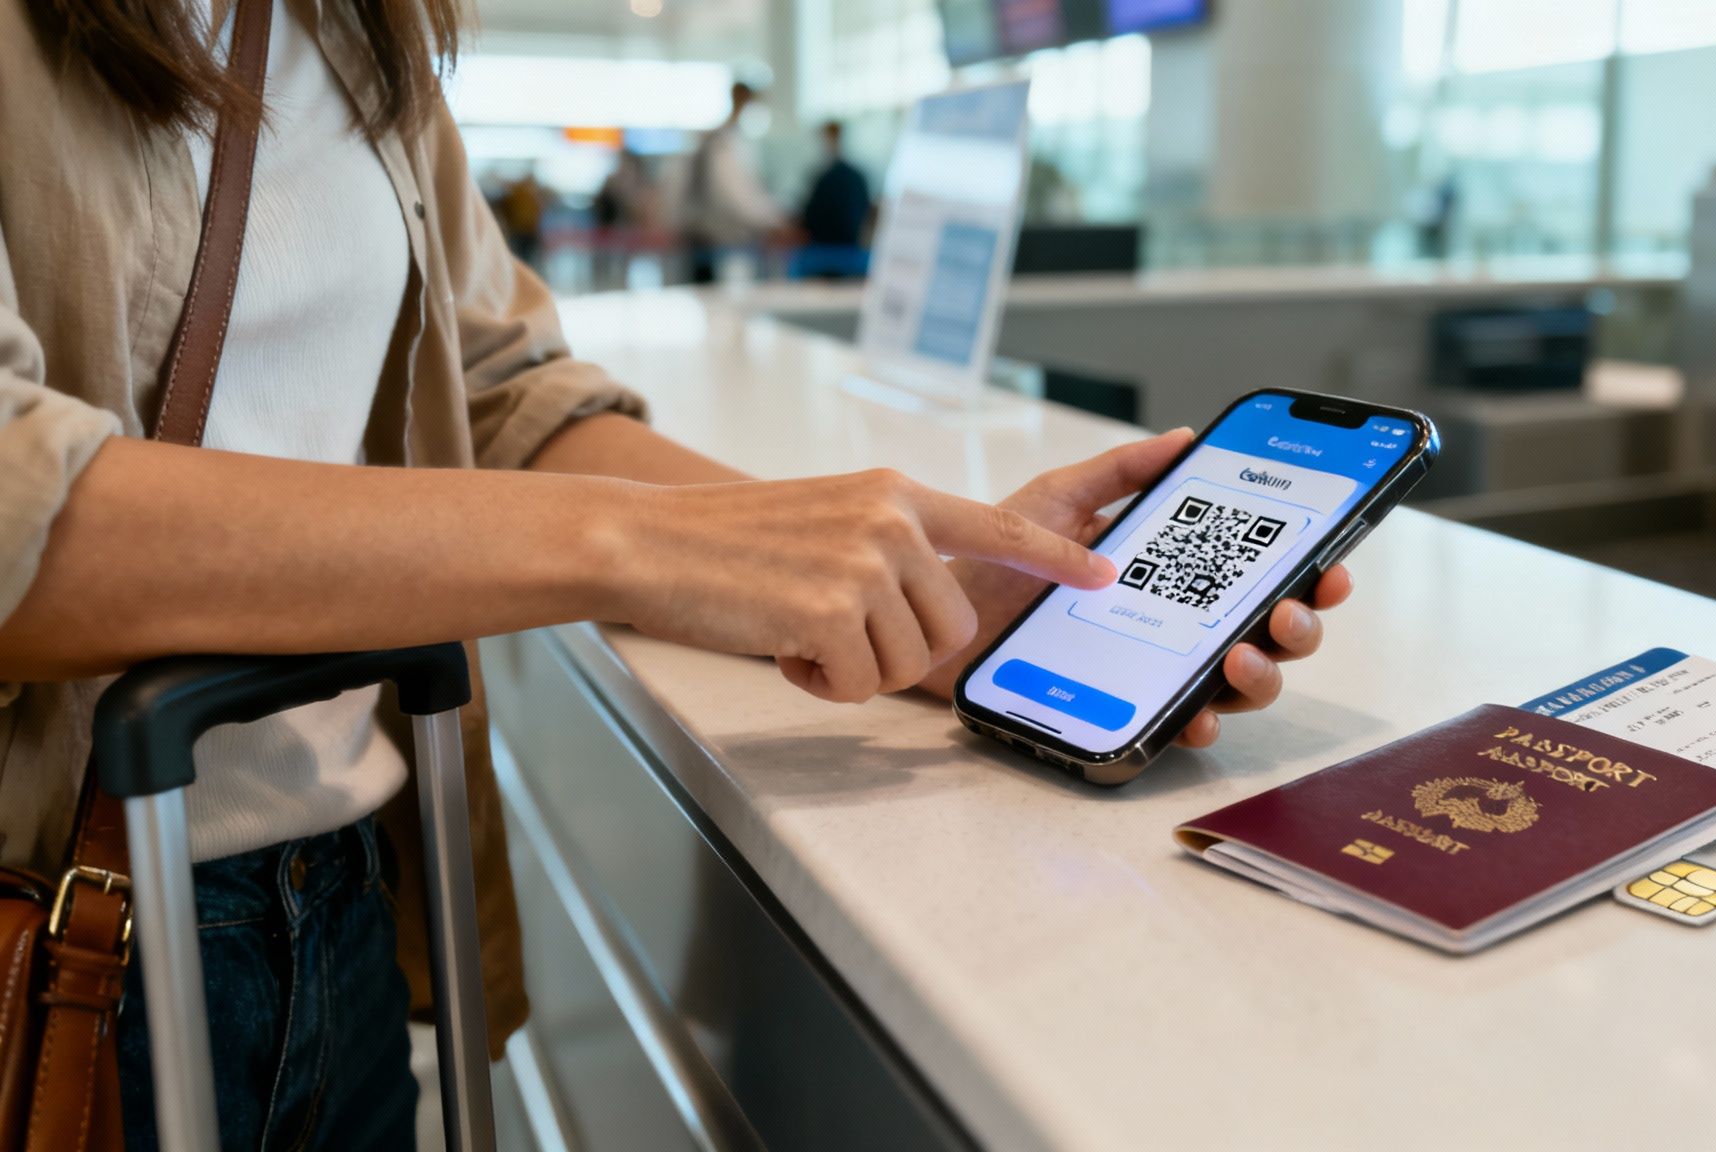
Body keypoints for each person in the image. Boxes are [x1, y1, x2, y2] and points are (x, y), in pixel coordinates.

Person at [0, 1, 1351, 1147]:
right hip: (63, 908)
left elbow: (502, 394)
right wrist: (638, 545)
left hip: (336, 888)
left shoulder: (361, 26)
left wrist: (907, 583)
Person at [681, 80, 792, 283]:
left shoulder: (727, 141)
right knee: (727, 305)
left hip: (729, 240)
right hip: (723, 242)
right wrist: (774, 222)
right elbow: (736, 197)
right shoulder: (721, 144)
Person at [799, 121, 872, 250]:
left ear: (829, 140)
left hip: (825, 249)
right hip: (854, 248)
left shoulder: (826, 178)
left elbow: (810, 219)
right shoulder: (858, 175)